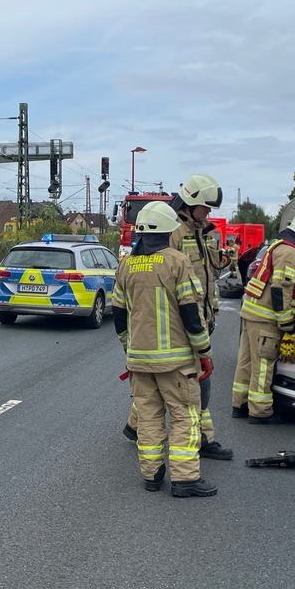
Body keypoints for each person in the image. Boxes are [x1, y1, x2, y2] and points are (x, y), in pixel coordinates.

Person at [112, 201, 218, 497]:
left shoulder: (126, 265)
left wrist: (129, 349)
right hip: (176, 363)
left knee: (148, 418)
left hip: (139, 362)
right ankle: (185, 479)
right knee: (185, 417)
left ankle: (152, 476)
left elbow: (118, 314)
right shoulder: (177, 262)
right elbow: (191, 314)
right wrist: (204, 352)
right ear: (169, 230)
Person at [124, 174, 232, 460]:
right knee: (196, 381)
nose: (208, 213)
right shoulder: (173, 233)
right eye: (205, 207)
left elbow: (209, 274)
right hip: (182, 322)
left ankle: (135, 426)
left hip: (201, 317)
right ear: (190, 203)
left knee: (166, 383)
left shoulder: (202, 232)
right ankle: (202, 440)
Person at [232, 211, 295, 423]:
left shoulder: (278, 246)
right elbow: (281, 289)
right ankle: (260, 411)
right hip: (267, 319)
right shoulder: (290, 254)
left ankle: (240, 404)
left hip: (252, 314)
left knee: (246, 362)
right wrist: (287, 323)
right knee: (263, 365)